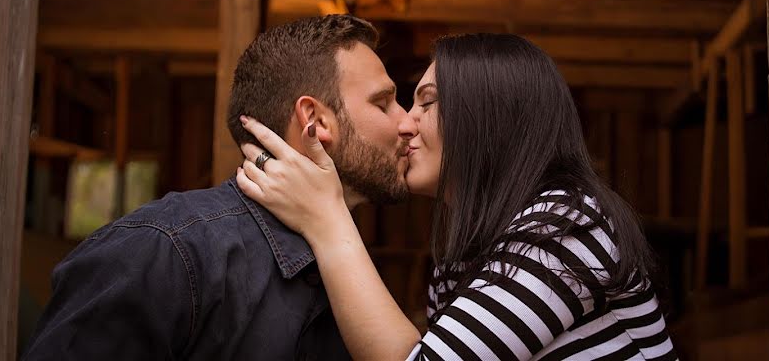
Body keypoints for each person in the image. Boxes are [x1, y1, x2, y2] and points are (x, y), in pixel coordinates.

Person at [236, 33, 678, 361]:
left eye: (426, 103)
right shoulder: (464, 258)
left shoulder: (562, 226)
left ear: (490, 117)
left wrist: (327, 219)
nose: (405, 124)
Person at [23, 15, 416, 360]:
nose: (407, 123)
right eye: (383, 103)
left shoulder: (350, 274)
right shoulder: (165, 251)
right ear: (314, 121)